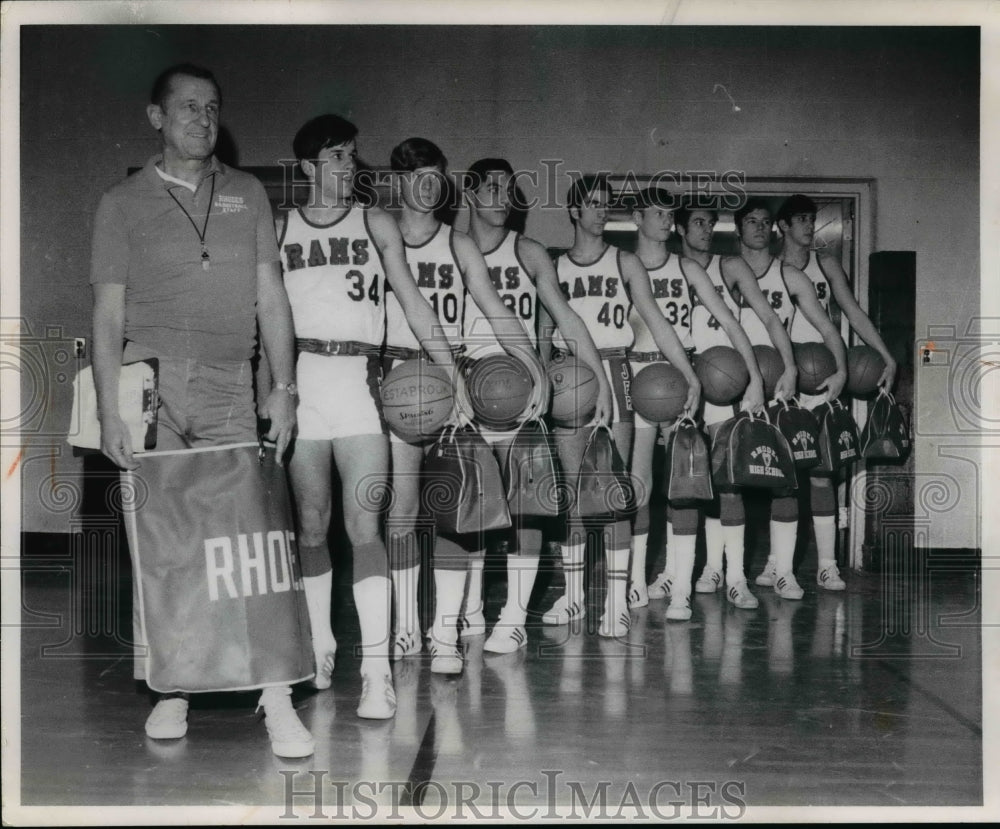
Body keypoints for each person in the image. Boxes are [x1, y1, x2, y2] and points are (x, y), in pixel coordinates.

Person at [91, 64, 312, 757]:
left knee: (249, 536)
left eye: (213, 107)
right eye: (187, 106)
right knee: (167, 538)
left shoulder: (248, 193)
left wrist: (284, 384)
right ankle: (173, 690)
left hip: (228, 380)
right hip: (150, 378)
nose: (203, 118)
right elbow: (106, 315)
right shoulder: (120, 203)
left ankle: (274, 693)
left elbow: (272, 297)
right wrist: (108, 408)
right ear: (155, 117)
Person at [279, 116, 460, 715]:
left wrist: (450, 373)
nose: (348, 165)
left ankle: (377, 669)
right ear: (307, 167)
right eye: (335, 156)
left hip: (359, 385)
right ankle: (321, 647)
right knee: (310, 525)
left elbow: (413, 300)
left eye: (352, 155)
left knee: (366, 526)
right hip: (302, 385)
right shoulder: (279, 228)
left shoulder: (374, 220)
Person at [382, 140, 544, 672]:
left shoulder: (458, 244)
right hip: (394, 380)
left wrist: (532, 364)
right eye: (418, 176)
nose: (429, 187)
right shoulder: (377, 236)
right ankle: (406, 625)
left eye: (436, 176)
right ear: (398, 181)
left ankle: (444, 630)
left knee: (460, 504)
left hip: (450, 381)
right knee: (402, 511)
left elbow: (497, 310)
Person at [460, 157, 613, 654]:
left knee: (528, 506)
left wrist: (603, 386)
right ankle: (469, 607)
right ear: (470, 194)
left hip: (521, 386)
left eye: (509, 189)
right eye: (492, 188)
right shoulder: (450, 250)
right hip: (465, 386)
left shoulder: (527, 251)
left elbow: (568, 320)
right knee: (472, 505)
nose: (503, 197)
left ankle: (514, 616)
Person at [538, 175, 699, 637]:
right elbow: (544, 332)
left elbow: (657, 321)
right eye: (590, 205)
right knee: (570, 491)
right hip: (569, 377)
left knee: (615, 490)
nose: (599, 212)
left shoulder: (625, 261)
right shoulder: (554, 265)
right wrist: (542, 384)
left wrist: (688, 375)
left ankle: (614, 599)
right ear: (573, 212)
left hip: (614, 371)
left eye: (605, 205)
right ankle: (571, 597)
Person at [627, 191, 765, 619]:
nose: (668, 220)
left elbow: (729, 320)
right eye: (659, 213)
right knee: (639, 484)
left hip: (683, 378)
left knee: (690, 483)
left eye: (672, 214)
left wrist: (755, 376)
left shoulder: (686, 268)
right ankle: (636, 581)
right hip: (635, 375)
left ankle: (687, 587)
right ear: (637, 217)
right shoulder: (622, 266)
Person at [776, 193, 896, 591]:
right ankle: (779, 565)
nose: (810, 226)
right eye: (802, 220)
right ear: (784, 227)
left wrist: (886, 356)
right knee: (784, 475)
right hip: (785, 379)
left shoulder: (825, 264)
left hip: (830, 378)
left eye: (812, 219)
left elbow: (854, 312)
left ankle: (828, 565)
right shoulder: (769, 270)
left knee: (824, 474)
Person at [732, 198, 847, 599]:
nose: (761, 228)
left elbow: (830, 330)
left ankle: (784, 570)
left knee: (787, 478)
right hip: (735, 386)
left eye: (766, 222)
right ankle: (727, 573)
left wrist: (843, 371)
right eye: (752, 222)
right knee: (732, 482)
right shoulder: (723, 273)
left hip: (780, 386)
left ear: (773, 228)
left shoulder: (790, 276)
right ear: (739, 229)